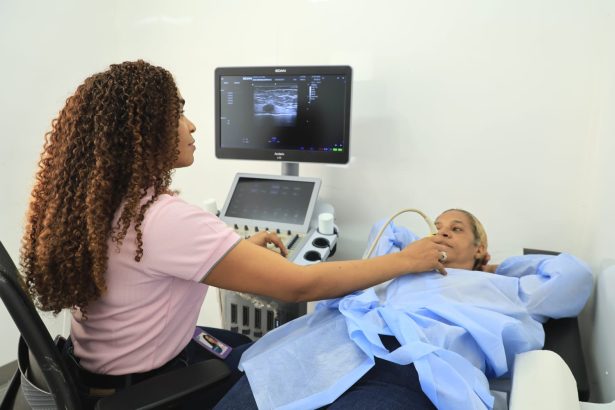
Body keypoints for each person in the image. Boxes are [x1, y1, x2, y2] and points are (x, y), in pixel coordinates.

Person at [19, 60, 449, 409]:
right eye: (177, 113)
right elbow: (300, 285)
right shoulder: (161, 218)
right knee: (381, 382)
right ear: (142, 132)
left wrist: (235, 251)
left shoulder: (102, 207)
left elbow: (156, 264)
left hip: (99, 375)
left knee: (250, 344)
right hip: (154, 389)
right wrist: (406, 260)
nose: (191, 126)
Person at [214, 209, 593, 410]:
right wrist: (415, 255)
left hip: (412, 372)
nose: (442, 232)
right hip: (334, 348)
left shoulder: (509, 289)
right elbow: (388, 230)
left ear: (480, 248)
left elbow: (574, 276)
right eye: (436, 227)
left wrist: (493, 268)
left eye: (456, 229)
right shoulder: (402, 268)